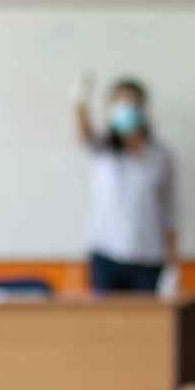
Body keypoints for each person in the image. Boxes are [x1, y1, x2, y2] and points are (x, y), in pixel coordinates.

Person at [73, 75, 178, 295]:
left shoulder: (160, 156)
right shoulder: (103, 150)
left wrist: (172, 265)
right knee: (105, 324)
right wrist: (79, 102)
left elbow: (171, 211)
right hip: (105, 253)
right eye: (120, 103)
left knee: (144, 325)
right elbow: (84, 135)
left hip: (148, 256)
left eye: (131, 102)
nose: (126, 108)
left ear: (142, 108)